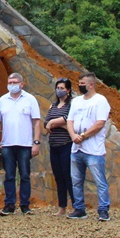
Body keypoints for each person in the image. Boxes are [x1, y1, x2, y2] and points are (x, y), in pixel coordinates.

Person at [66, 71, 111, 222]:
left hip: (93, 149)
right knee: (76, 180)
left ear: (91, 85)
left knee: (100, 180)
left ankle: (103, 210)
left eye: (83, 84)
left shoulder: (100, 100)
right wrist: (73, 136)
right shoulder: (76, 101)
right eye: (79, 84)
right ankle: (79, 208)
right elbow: (70, 121)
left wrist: (83, 136)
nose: (80, 86)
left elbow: (100, 123)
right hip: (76, 148)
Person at [0, 72, 42, 215]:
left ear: (22, 84)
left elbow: (37, 122)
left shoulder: (30, 99)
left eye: (15, 82)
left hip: (25, 144)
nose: (12, 85)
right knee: (9, 175)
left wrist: (36, 143)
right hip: (7, 144)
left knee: (25, 175)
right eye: (10, 82)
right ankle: (9, 205)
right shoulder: (2, 100)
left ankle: (25, 205)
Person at [44, 78, 74, 217]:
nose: (59, 90)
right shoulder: (53, 105)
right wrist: (56, 123)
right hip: (54, 145)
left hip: (66, 145)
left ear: (68, 90)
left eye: (62, 88)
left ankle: (75, 205)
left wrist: (52, 123)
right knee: (58, 176)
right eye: (58, 87)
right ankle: (62, 206)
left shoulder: (72, 104)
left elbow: (69, 120)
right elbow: (46, 122)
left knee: (68, 175)